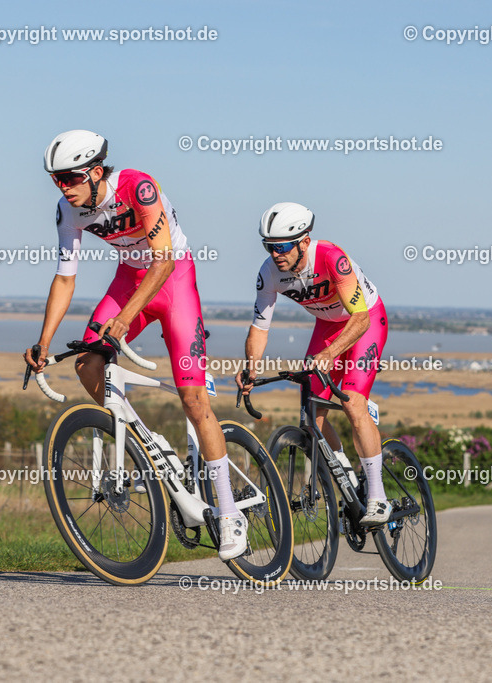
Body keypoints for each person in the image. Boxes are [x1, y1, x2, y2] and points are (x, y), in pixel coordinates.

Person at [23, 130, 247, 559]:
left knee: (193, 400)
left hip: (174, 279)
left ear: (93, 171)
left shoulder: (138, 187)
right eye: (56, 180)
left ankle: (228, 510)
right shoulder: (67, 211)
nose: (63, 187)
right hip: (130, 279)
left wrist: (125, 320)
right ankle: (150, 446)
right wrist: (43, 342)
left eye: (69, 178)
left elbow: (164, 260)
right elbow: (66, 277)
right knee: (88, 363)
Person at [235, 202, 392, 525]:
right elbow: (260, 327)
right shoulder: (269, 272)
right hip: (327, 325)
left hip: (364, 321)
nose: (275, 254)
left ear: (304, 241)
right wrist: (251, 367)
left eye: (281, 247)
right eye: (269, 246)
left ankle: (377, 495)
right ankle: (348, 475)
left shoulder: (332, 257)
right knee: (310, 415)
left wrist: (331, 353)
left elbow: (360, 319)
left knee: (352, 402)